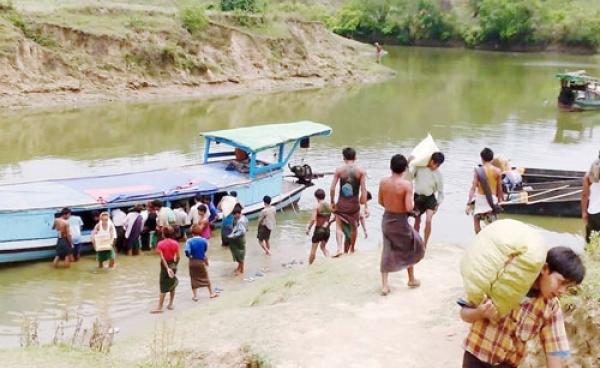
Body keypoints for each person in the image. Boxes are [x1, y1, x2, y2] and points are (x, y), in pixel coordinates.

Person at [460, 246, 585, 368]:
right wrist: (480, 312)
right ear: (545, 269)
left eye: (568, 287)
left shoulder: (551, 307)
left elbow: (554, 351)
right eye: (561, 282)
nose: (562, 291)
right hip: (475, 358)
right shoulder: (503, 279)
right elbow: (464, 313)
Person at [378, 154, 425, 295]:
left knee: (387, 249)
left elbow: (380, 201)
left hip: (387, 219)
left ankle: (385, 286)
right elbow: (409, 207)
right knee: (411, 245)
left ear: (390, 166)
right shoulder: (406, 185)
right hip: (400, 220)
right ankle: (411, 279)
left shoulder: (383, 182)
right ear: (404, 168)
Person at [330, 147, 368, 257]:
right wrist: (365, 206)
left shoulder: (339, 170)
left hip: (341, 204)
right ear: (355, 157)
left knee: (338, 227)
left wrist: (332, 201)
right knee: (354, 227)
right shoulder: (361, 171)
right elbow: (363, 189)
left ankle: (339, 249)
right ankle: (352, 249)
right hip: (354, 205)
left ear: (344, 157)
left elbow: (332, 188)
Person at [409, 152, 445, 247]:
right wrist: (412, 163)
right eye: (434, 164)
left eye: (438, 165)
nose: (435, 167)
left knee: (428, 220)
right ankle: (416, 243)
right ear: (430, 160)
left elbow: (441, 192)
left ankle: (425, 243)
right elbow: (410, 177)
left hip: (430, 198)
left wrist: (438, 204)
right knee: (417, 221)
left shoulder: (438, 174)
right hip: (418, 197)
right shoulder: (419, 167)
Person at [466, 148, 504, 234]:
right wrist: (500, 200)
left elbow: (473, 188)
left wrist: (468, 203)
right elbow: (500, 189)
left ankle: (479, 239)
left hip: (480, 201)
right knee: (493, 224)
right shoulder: (498, 171)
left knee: (476, 220)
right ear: (492, 158)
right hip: (492, 200)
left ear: (481, 158)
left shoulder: (478, 171)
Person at [185, 224, 218, 301]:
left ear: (192, 232)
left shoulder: (189, 241)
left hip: (192, 262)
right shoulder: (204, 240)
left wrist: (189, 256)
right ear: (200, 231)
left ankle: (195, 296)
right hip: (201, 261)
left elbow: (187, 251)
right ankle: (211, 293)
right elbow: (205, 250)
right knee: (205, 277)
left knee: (193, 278)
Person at [151, 226, 180, 313]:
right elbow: (178, 257)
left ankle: (160, 307)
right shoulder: (175, 243)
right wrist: (174, 265)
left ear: (163, 234)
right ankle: (170, 304)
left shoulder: (160, 244)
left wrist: (167, 268)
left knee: (163, 285)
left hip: (165, 266)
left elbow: (162, 258)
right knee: (172, 284)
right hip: (173, 264)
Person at [306, 189, 333, 265]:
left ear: (316, 197)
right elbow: (334, 217)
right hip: (327, 230)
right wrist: (328, 223)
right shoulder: (329, 206)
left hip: (319, 230)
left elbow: (313, 219)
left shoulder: (317, 206)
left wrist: (308, 228)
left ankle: (309, 266)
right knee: (323, 247)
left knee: (313, 250)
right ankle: (330, 261)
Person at [582, 155, 600, 243]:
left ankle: (591, 256)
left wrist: (584, 212)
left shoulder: (588, 176)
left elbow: (585, 195)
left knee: (591, 241)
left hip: (593, 213)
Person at [228, 207, 248, 275]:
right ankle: (239, 267)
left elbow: (242, 231)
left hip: (239, 239)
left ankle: (242, 270)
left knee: (240, 254)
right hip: (240, 238)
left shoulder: (240, 221)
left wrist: (234, 235)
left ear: (237, 214)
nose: (234, 216)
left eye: (234, 215)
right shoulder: (244, 217)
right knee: (239, 254)